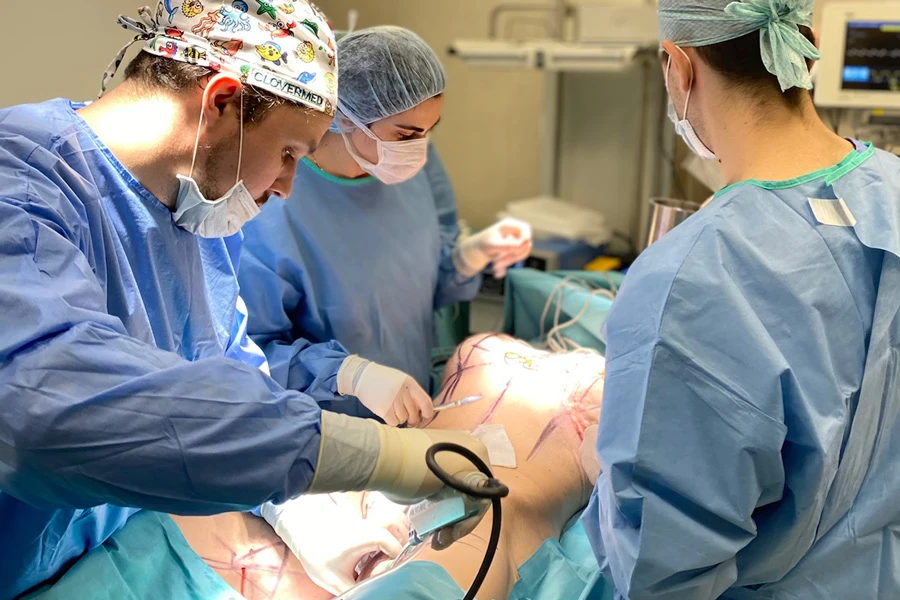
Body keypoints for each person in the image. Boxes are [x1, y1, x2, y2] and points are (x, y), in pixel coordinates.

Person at [0, 2, 488, 598]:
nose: (286, 187)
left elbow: (228, 374)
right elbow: (45, 409)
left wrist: (296, 506)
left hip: (94, 553)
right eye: (289, 153)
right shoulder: (20, 185)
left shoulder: (198, 214)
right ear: (222, 102)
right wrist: (379, 457)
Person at [582, 1, 900, 598]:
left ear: (678, 67)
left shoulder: (693, 277)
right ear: (807, 40)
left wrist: (601, 469)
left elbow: (663, 572)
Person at [238, 26, 533, 428]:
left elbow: (412, 288)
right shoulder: (271, 204)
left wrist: (467, 256)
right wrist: (350, 375)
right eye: (406, 134)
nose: (418, 147)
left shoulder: (407, 167)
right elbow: (251, 353)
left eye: (429, 131)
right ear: (345, 118)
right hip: (330, 435)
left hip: (417, 414)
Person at [173, 332, 605, 599]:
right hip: (391, 476)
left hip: (485, 502)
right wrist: (293, 510)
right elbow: (215, 401)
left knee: (483, 520)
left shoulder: (606, 381)